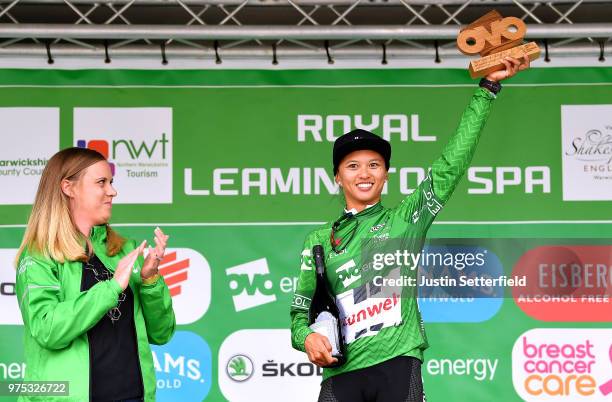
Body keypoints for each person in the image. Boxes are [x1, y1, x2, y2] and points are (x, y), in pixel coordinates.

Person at [290, 56, 530, 401]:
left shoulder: (405, 220)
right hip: (341, 376)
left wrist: (487, 89)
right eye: (353, 165)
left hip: (397, 363)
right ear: (337, 177)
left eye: (374, 165)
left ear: (385, 175)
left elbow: (450, 165)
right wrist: (307, 339)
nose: (365, 173)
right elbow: (301, 314)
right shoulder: (318, 241)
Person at [14, 147, 176, 402]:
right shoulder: (38, 255)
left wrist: (150, 280)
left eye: (111, 182)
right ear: (68, 187)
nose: (112, 191)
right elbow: (47, 330)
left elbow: (161, 333)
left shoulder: (125, 250)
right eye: (101, 182)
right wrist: (111, 288)